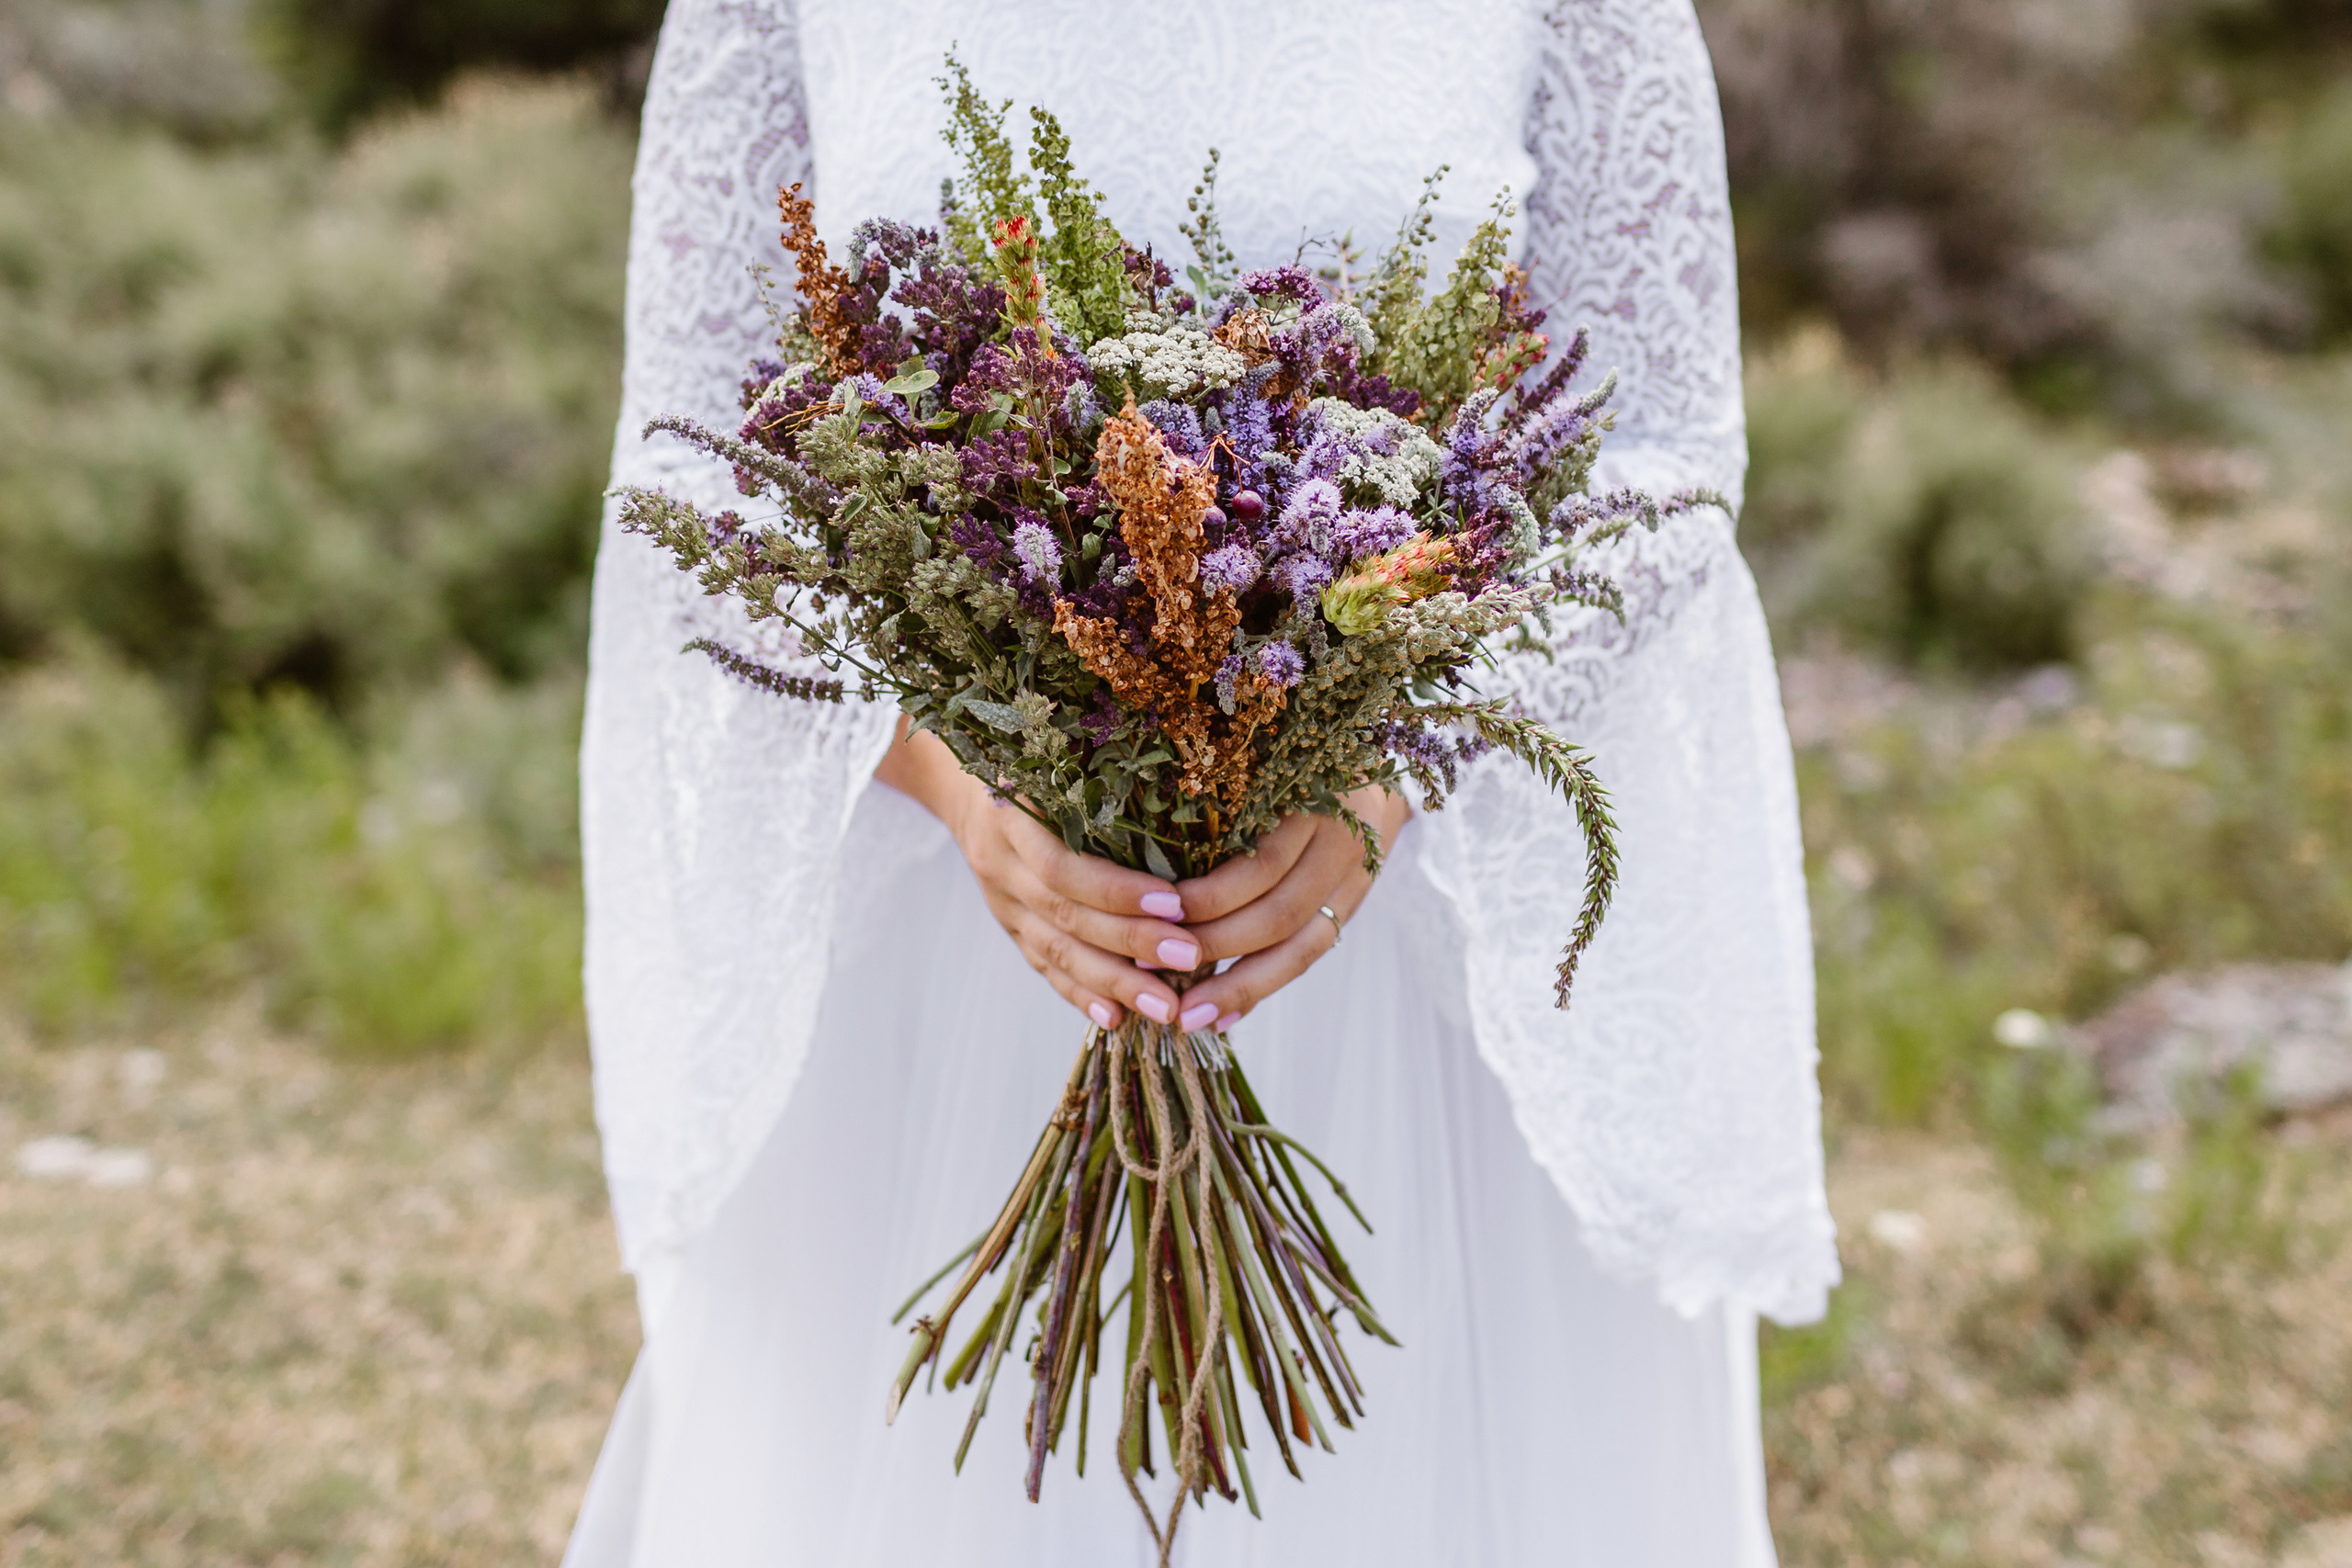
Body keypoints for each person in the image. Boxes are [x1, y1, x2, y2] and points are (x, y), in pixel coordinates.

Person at [566, 1, 1839, 1562]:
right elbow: (691, 463)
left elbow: (1660, 454)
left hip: (1401, 958)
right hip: (959, 956)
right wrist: (966, 781)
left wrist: (1382, 771)